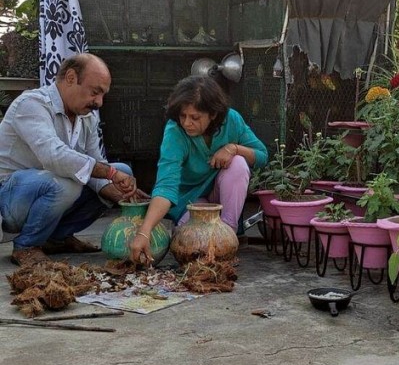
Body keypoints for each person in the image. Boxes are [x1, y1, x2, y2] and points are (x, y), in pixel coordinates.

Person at [0, 53, 141, 266]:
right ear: (71, 78)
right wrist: (109, 174)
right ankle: (27, 246)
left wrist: (111, 188)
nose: (99, 102)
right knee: (68, 183)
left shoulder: (87, 116)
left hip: (54, 188)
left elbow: (94, 162)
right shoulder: (31, 104)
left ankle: (55, 239)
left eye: (103, 95)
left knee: (120, 173)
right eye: (95, 92)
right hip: (10, 198)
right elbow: (54, 156)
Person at [128, 75, 268, 264]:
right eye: (183, 116)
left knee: (238, 164)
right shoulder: (175, 131)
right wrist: (144, 232)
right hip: (190, 199)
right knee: (193, 244)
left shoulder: (232, 120)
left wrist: (233, 148)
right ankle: (205, 238)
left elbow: (261, 156)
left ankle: (228, 236)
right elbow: (166, 186)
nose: (186, 123)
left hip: (220, 193)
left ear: (213, 114)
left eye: (195, 117)